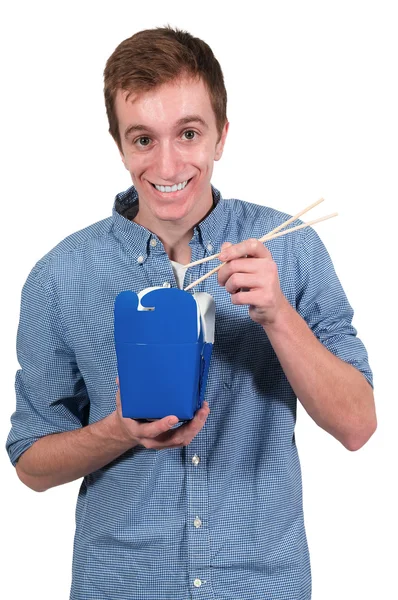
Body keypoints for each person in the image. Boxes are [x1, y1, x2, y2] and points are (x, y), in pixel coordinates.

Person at [6, 26, 376, 600]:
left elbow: (358, 424)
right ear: (119, 145)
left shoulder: (290, 247)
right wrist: (116, 432)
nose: (169, 162)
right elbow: (31, 462)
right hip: (122, 584)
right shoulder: (60, 274)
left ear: (221, 136)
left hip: (261, 584)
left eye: (188, 133)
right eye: (143, 139)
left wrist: (278, 315)